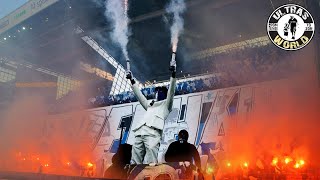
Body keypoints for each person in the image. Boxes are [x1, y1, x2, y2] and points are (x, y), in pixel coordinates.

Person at [126, 60, 176, 164]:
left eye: (160, 92)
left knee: (151, 162)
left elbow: (171, 92)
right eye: (157, 92)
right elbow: (140, 96)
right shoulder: (150, 105)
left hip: (153, 133)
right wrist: (132, 80)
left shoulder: (166, 105)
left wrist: (173, 74)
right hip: (140, 131)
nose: (157, 93)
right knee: (135, 162)